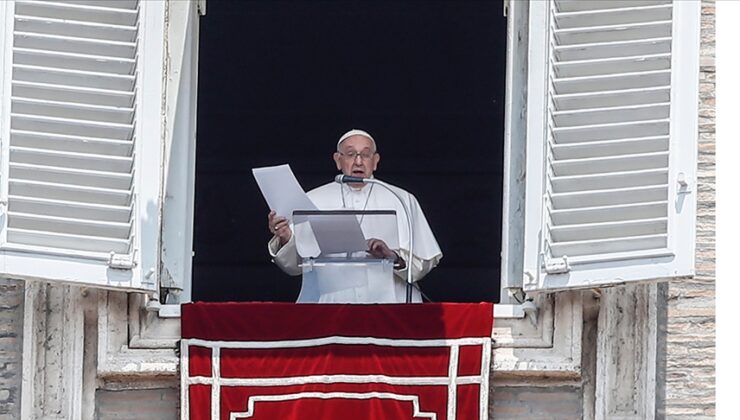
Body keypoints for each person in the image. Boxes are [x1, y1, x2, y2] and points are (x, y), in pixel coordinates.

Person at [267, 129, 442, 303]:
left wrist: (393, 257)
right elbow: (293, 266)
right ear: (338, 160)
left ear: (375, 161)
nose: (358, 161)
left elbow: (422, 262)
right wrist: (286, 238)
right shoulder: (312, 199)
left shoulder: (401, 198)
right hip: (329, 307)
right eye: (351, 154)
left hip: (389, 305)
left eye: (365, 155)